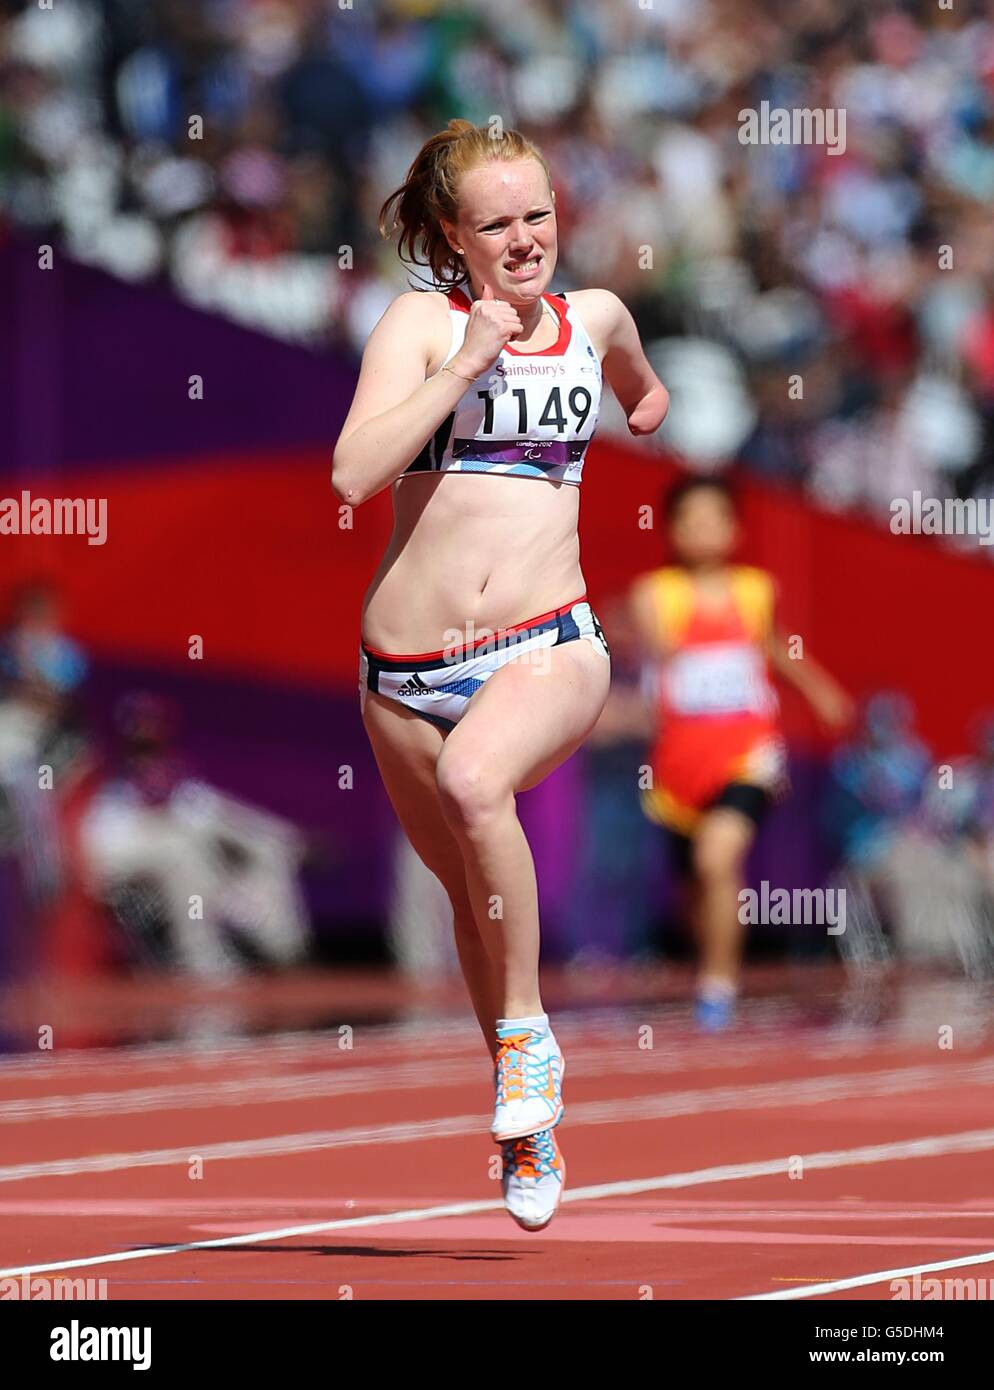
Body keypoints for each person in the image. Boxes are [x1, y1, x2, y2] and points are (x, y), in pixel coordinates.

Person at [332, 118, 668, 1230]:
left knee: (482, 787)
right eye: (497, 223)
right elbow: (352, 472)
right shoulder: (419, 323)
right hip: (402, 673)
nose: (525, 239)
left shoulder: (596, 314)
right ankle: (526, 1125)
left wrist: (647, 403)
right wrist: (468, 362)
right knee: (474, 907)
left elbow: (634, 378)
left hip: (548, 642)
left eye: (539, 215)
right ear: (450, 234)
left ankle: (527, 1034)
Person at [629, 476, 852, 1030]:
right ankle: (711, 959)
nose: (704, 529)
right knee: (693, 886)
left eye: (715, 518)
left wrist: (819, 687)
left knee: (716, 857)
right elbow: (652, 654)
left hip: (748, 750)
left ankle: (717, 987)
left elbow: (773, 647)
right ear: (673, 530)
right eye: (691, 519)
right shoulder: (655, 594)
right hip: (680, 761)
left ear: (734, 528)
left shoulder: (756, 589)